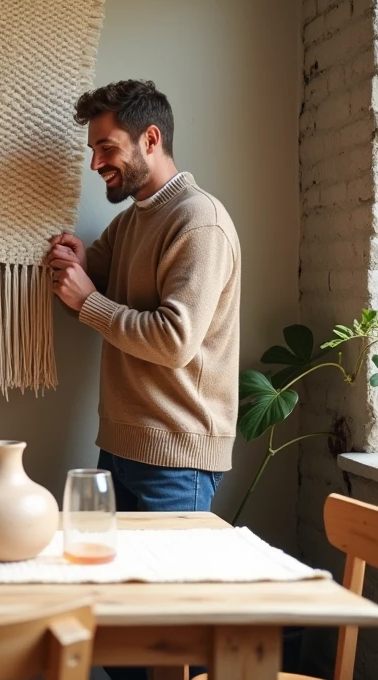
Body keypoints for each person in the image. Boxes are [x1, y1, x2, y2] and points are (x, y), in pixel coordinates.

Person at [45, 79, 240, 513]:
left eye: (107, 148)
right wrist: (79, 262)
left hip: (176, 460)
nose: (95, 163)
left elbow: (174, 341)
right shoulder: (132, 221)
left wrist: (87, 301)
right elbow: (93, 277)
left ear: (150, 139)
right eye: (93, 150)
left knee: (166, 583)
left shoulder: (199, 220)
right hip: (121, 446)